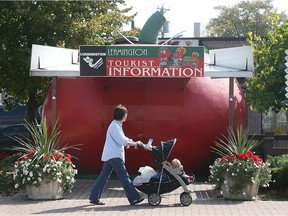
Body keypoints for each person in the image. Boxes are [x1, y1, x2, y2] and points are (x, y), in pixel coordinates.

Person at [89, 104, 144, 206]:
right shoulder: (115, 126)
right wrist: (134, 143)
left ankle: (94, 197)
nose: (127, 116)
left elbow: (123, 139)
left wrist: (132, 142)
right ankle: (134, 198)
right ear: (122, 115)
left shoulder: (116, 125)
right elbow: (122, 141)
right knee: (124, 177)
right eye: (126, 114)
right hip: (114, 156)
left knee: (103, 177)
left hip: (111, 155)